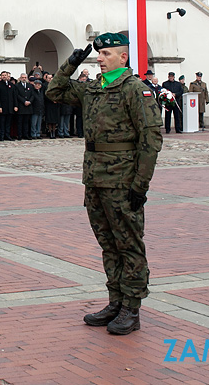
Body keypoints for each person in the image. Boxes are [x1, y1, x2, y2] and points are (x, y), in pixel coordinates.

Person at [46, 33, 162, 335]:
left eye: (106, 54)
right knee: (108, 244)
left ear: (123, 58)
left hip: (123, 182)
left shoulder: (136, 90)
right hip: (95, 179)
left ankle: (132, 308)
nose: (99, 58)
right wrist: (72, 62)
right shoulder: (93, 89)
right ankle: (115, 301)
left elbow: (151, 140)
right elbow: (54, 91)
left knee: (129, 244)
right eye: (98, 54)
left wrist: (141, 185)